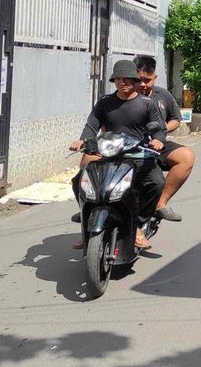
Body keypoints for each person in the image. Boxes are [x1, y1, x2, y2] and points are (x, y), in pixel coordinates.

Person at [69, 60, 166, 250]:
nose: (122, 82)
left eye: (127, 78)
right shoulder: (105, 102)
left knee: (156, 183)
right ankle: (87, 221)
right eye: (118, 78)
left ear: (135, 80)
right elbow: (91, 126)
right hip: (109, 156)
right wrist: (83, 140)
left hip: (139, 156)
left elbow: (160, 129)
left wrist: (158, 140)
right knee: (79, 180)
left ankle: (138, 225)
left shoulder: (148, 104)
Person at [134, 54, 196, 221]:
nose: (142, 84)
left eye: (147, 80)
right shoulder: (124, 94)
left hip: (157, 144)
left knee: (187, 156)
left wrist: (161, 131)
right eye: (139, 80)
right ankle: (90, 206)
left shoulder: (163, 95)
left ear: (155, 77)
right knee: (89, 160)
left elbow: (176, 119)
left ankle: (160, 203)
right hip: (128, 144)